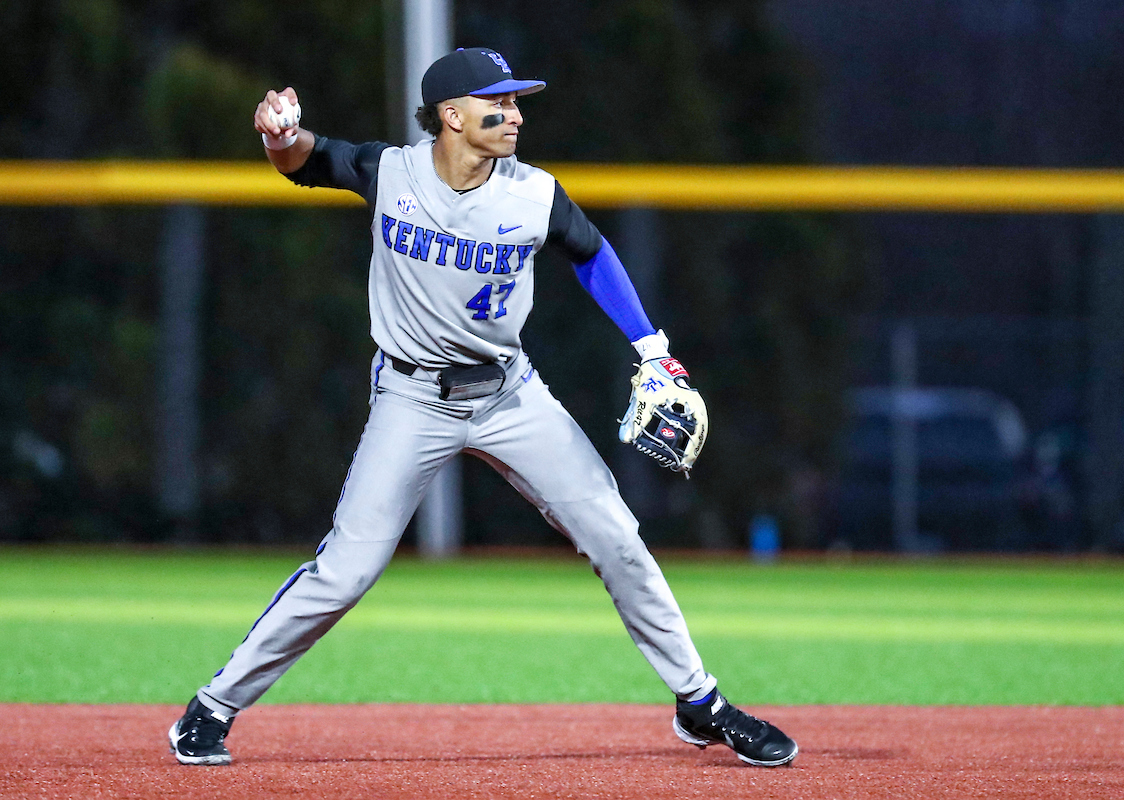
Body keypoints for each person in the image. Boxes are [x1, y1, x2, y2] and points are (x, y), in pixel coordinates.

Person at [168, 47, 797, 769]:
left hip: (509, 393)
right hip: (412, 396)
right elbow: (309, 160)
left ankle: (701, 703)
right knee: (346, 570)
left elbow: (591, 254)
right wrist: (278, 136)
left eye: (519, 101)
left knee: (617, 536)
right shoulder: (392, 172)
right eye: (501, 102)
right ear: (452, 115)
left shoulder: (534, 194)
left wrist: (653, 347)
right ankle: (212, 706)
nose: (516, 114)